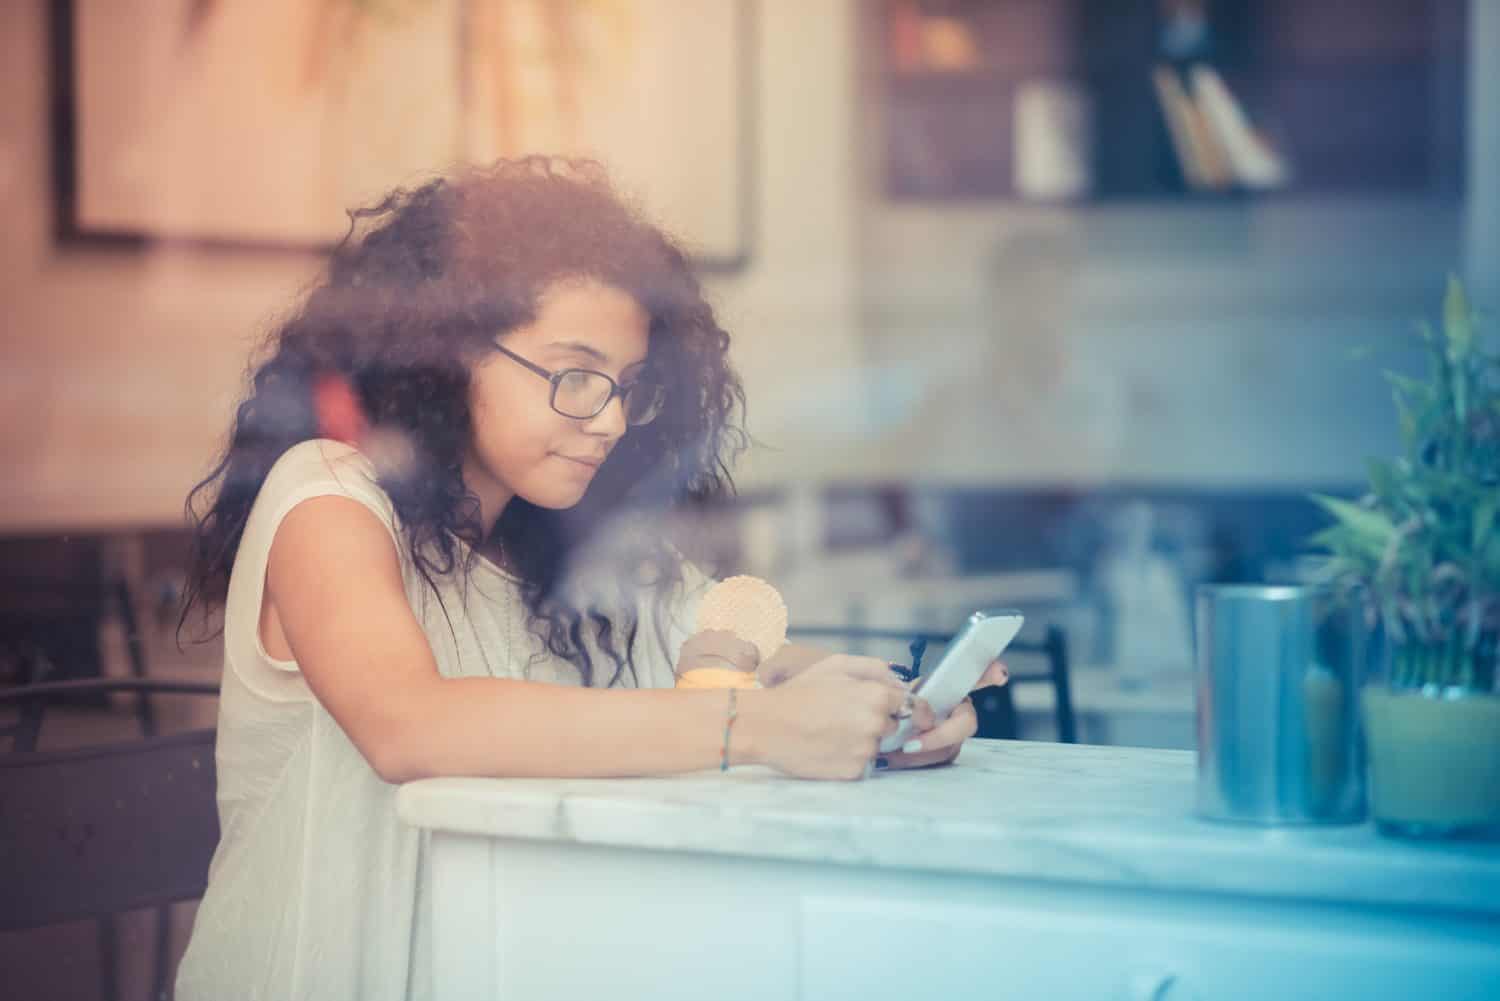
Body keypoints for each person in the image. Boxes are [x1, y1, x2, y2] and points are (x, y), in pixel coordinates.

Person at [173, 157, 1008, 1000]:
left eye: (629, 387)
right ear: (449, 352)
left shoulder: (554, 543)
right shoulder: (327, 492)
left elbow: (736, 646)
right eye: (574, 375)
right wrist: (759, 728)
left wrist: (884, 701)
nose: (608, 419)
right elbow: (407, 725)